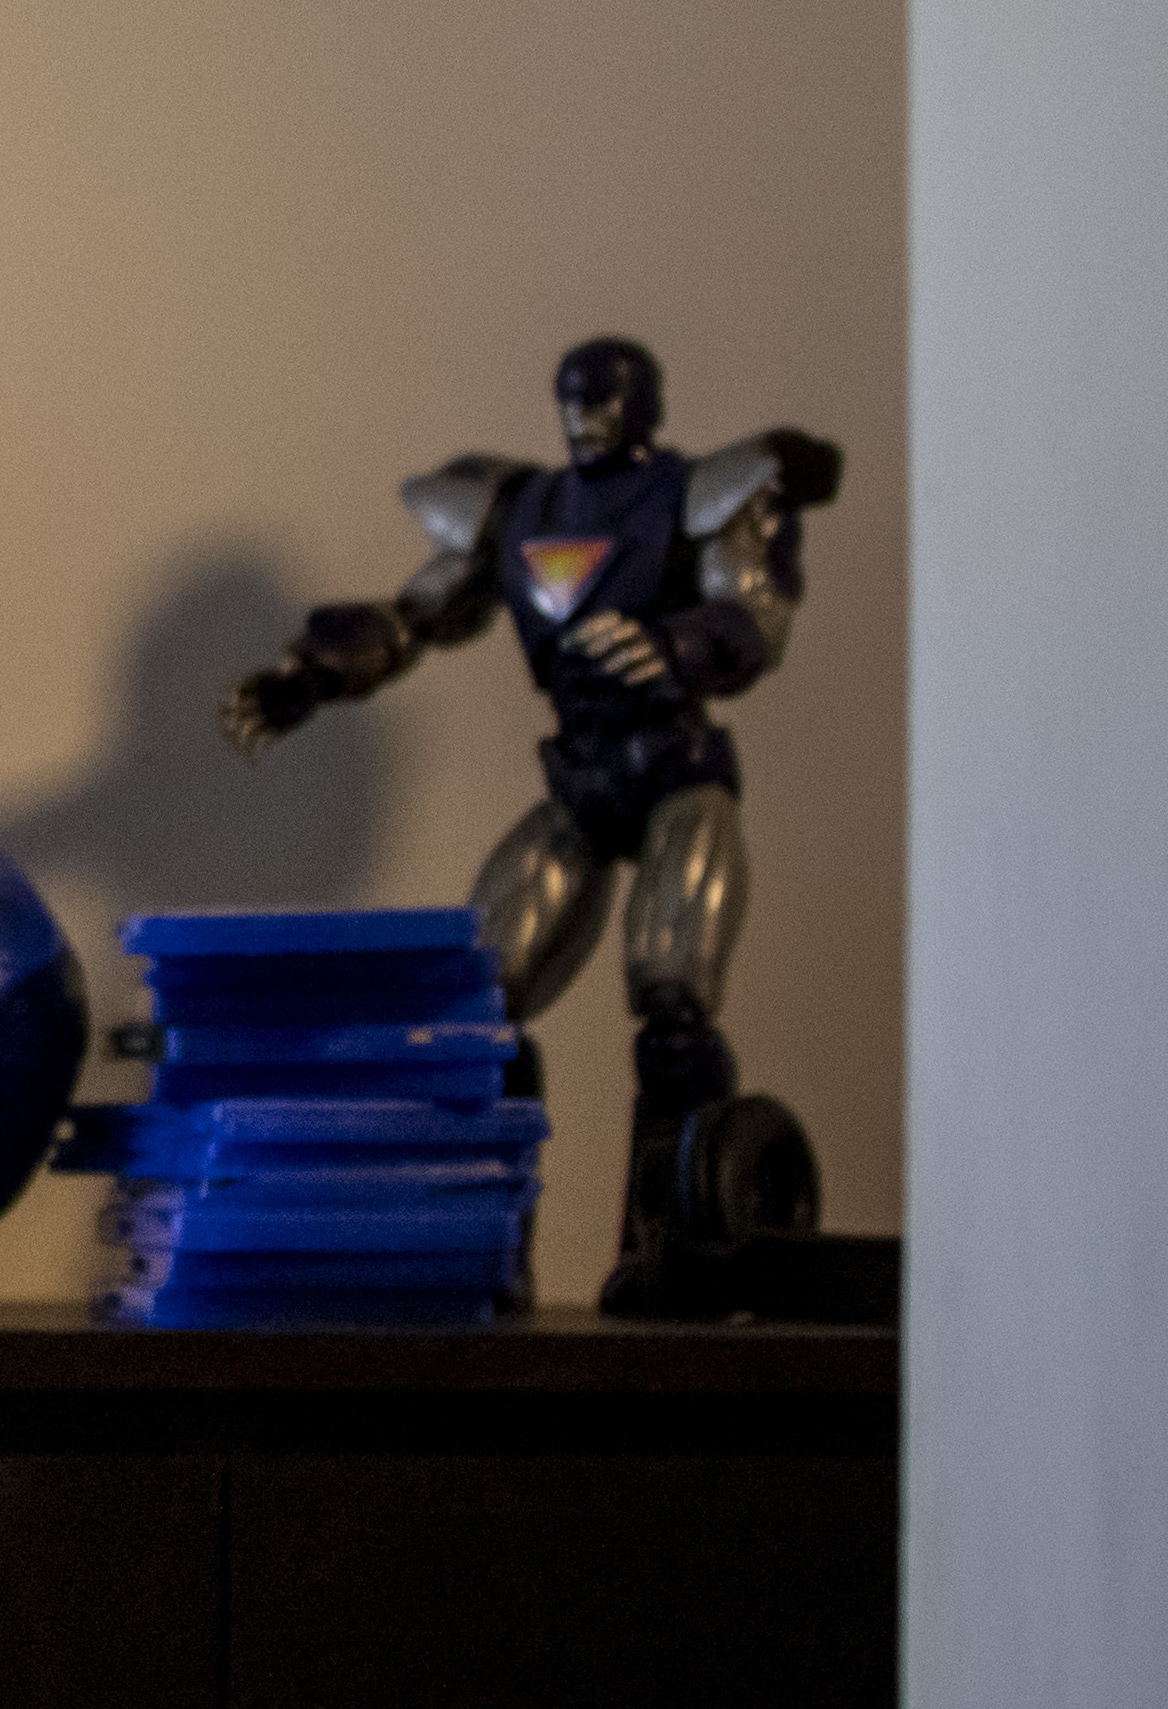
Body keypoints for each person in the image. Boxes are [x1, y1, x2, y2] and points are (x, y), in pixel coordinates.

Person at [215, 331, 847, 1289]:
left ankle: (668, 1250)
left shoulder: (694, 495)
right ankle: (483, 1254)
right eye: (573, 403)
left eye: (604, 402)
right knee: (479, 997)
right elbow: (416, 614)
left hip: (677, 766)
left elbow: (749, 616)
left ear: (645, 407)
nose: (586, 420)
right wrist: (307, 678)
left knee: (672, 998)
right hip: (584, 780)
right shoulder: (522, 510)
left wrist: (682, 646)